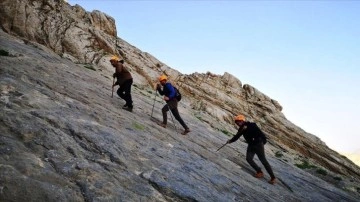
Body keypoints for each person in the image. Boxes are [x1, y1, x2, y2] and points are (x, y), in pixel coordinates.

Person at [226, 114, 276, 184]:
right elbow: (237, 136)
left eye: (239, 121)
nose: (238, 123)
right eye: (237, 122)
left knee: (263, 160)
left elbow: (260, 134)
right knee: (249, 158)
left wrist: (262, 142)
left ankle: (273, 177)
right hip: (251, 145)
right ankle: (259, 171)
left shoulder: (252, 125)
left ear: (243, 121)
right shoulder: (241, 129)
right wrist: (230, 141)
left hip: (258, 144)